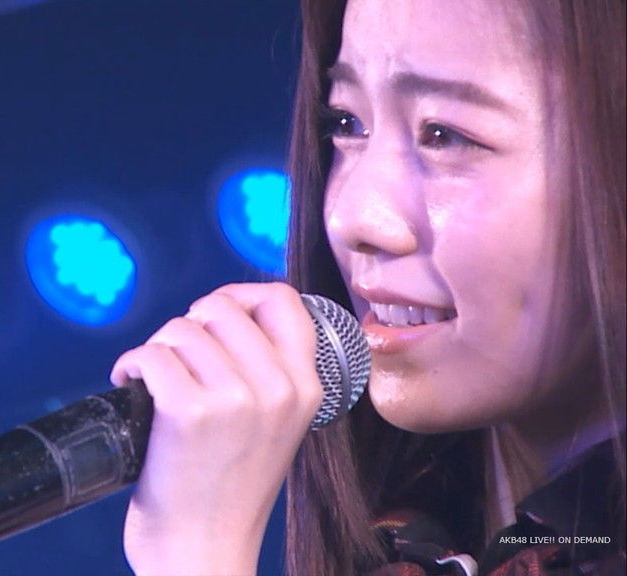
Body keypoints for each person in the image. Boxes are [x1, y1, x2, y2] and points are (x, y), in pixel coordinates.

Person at [109, 1, 626, 574]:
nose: (351, 217)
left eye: (446, 135)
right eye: (347, 124)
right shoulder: (409, 538)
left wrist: (198, 554)